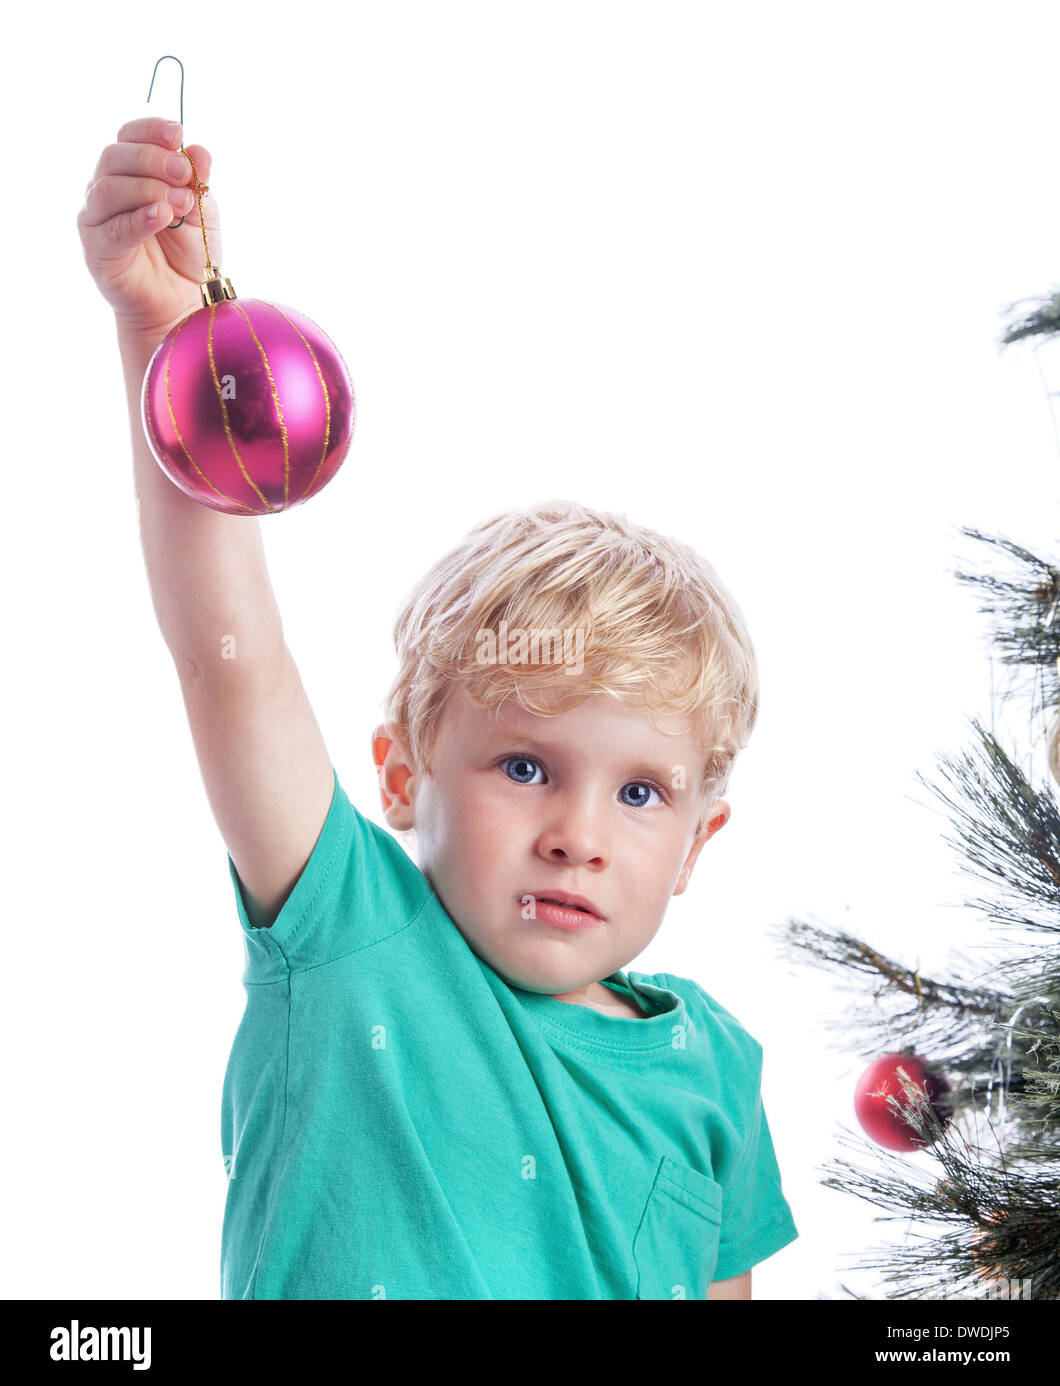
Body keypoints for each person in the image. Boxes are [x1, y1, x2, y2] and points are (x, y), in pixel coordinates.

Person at [78, 116, 798, 1300]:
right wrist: (170, 336)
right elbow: (230, 662)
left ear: (696, 843)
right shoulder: (354, 933)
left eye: (639, 791)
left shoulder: (711, 1063)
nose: (578, 830)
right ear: (404, 774)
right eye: (524, 766)